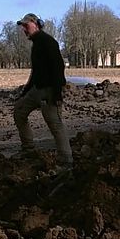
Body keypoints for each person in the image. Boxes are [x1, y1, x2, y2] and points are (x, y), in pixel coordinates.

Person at [13, 13, 73, 166]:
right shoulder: (36, 44)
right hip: (36, 90)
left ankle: (66, 160)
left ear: (37, 23)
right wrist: (24, 93)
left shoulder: (48, 42)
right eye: (23, 27)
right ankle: (28, 149)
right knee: (19, 112)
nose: (24, 29)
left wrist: (57, 93)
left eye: (26, 26)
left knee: (56, 125)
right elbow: (35, 72)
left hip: (49, 91)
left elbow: (58, 67)